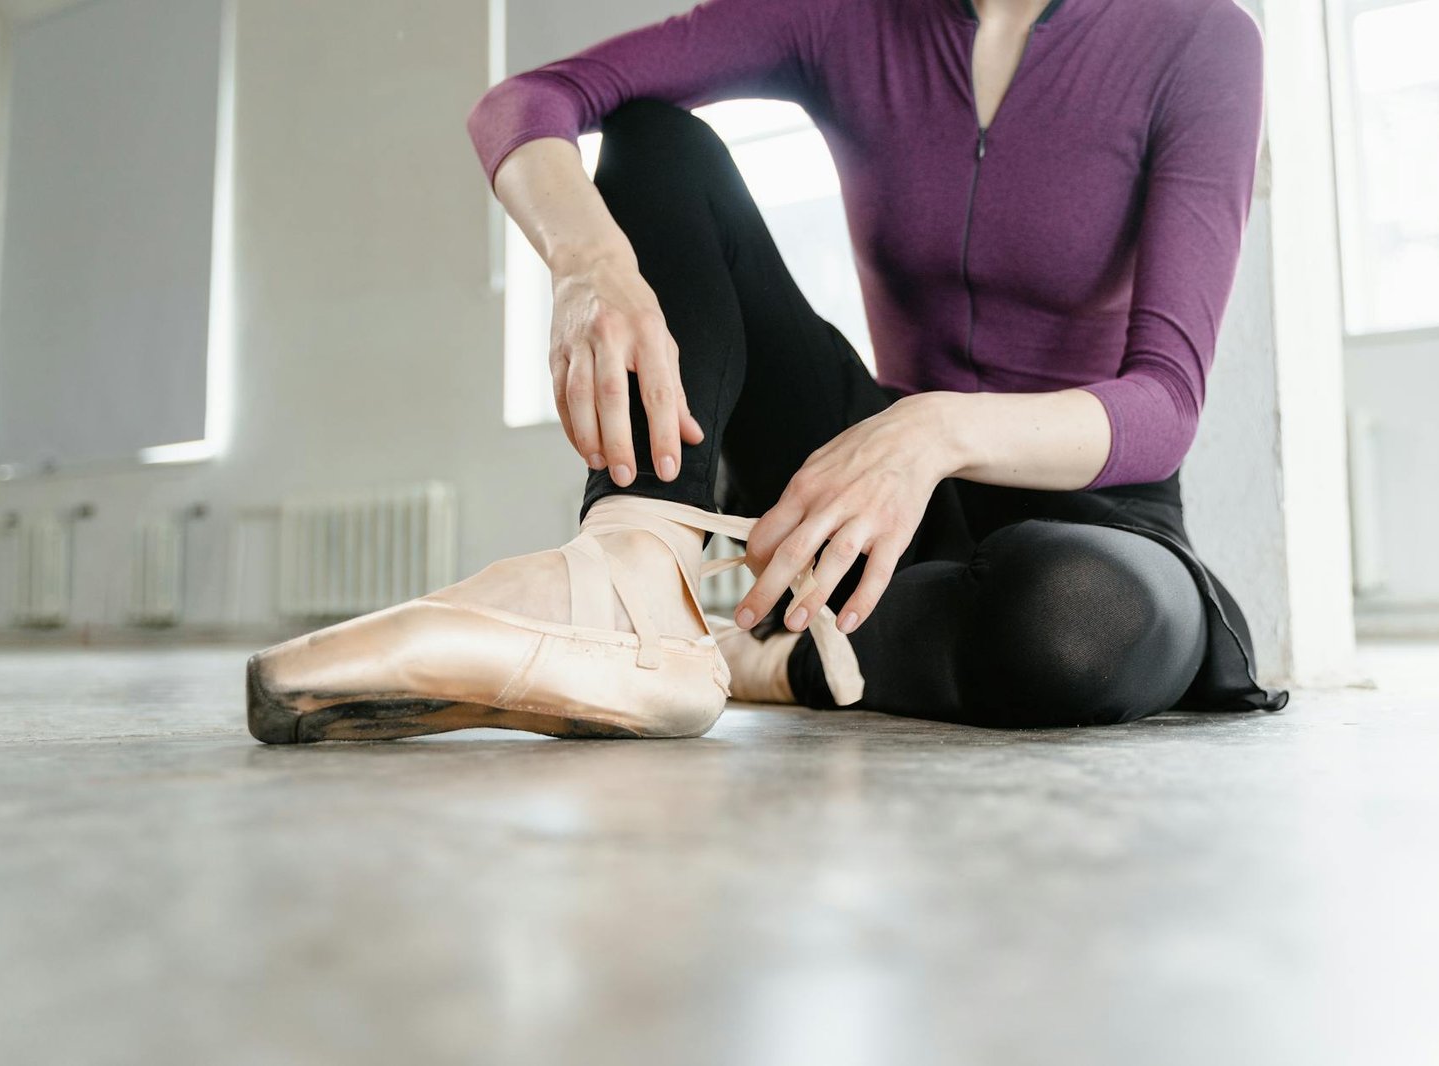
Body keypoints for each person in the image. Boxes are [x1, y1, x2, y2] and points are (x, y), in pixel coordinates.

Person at [245, 0, 1289, 746]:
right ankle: (636, 569)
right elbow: (530, 100)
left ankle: (753, 658)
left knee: (1071, 623)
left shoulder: (1197, 37)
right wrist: (588, 264)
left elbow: (1165, 404)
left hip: (1095, 513)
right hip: (863, 498)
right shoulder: (845, 15)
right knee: (655, 141)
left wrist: (932, 430)